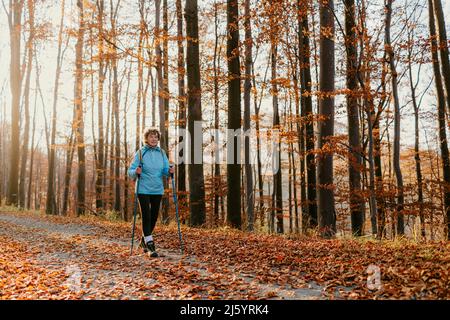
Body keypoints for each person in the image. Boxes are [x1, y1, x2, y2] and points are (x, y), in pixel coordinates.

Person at [128, 128, 174, 257]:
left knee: (154, 216)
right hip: (143, 188)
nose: (153, 139)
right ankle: (150, 245)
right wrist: (135, 172)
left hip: (157, 189)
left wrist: (170, 171)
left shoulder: (161, 153)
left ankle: (144, 240)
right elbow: (130, 171)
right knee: (146, 215)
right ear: (146, 139)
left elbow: (165, 170)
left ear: (158, 139)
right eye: (151, 137)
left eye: (155, 137)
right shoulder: (141, 153)